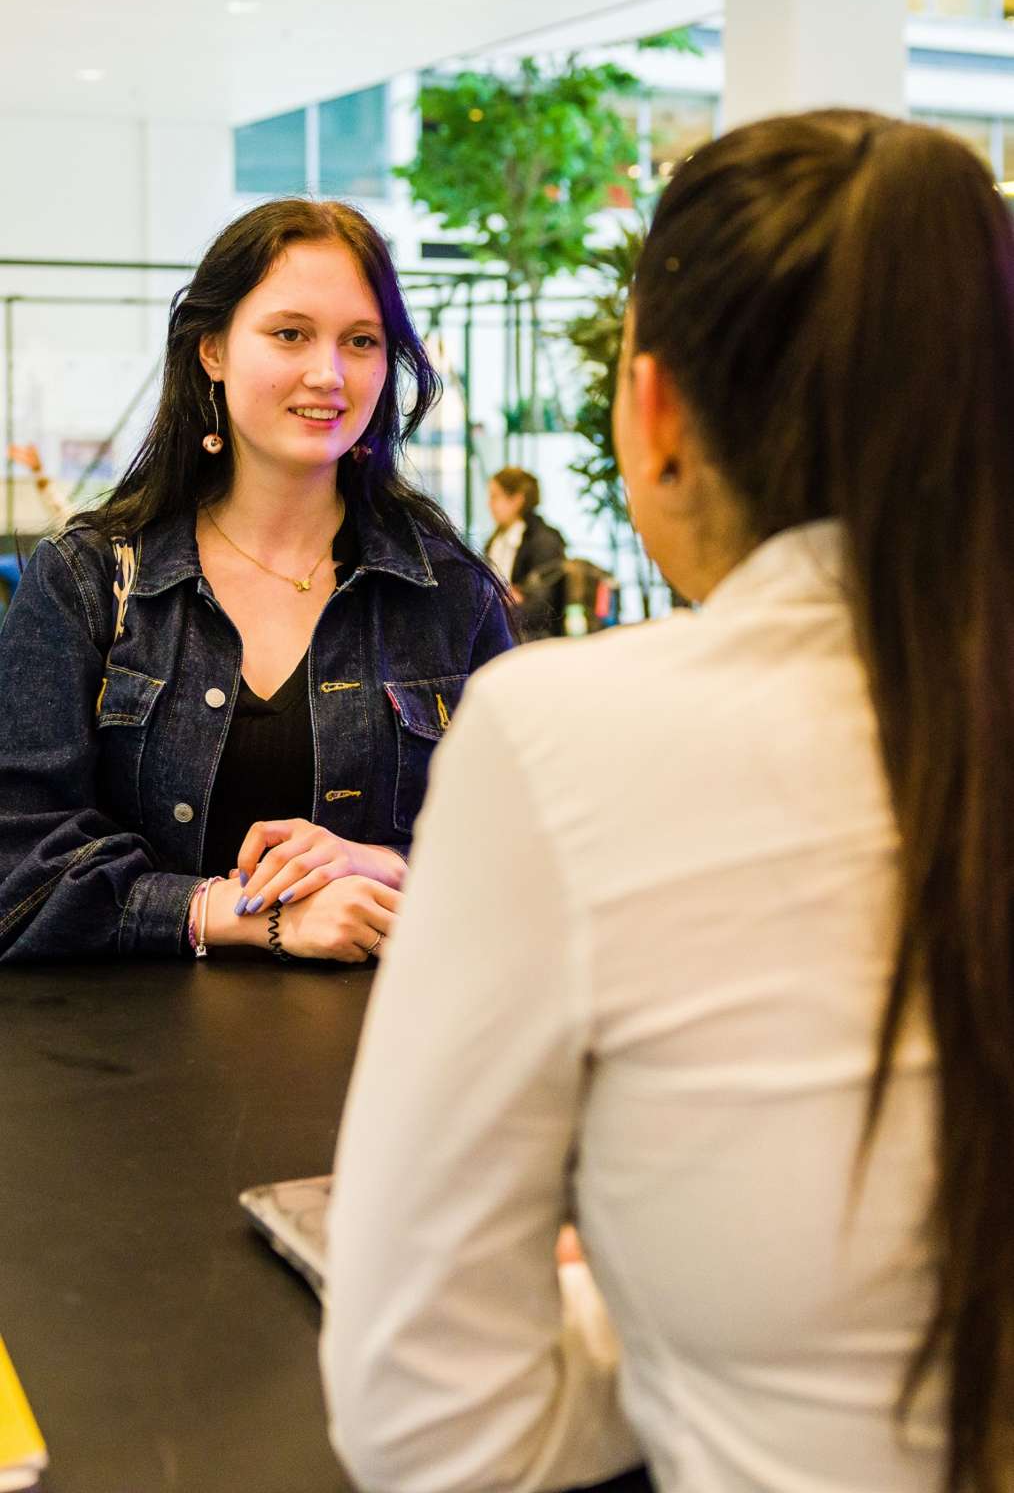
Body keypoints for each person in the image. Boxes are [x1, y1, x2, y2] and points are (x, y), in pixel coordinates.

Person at [322, 112, 1014, 1492]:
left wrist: (676, 1334)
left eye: (354, 342)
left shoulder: (563, 730)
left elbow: (433, 1422)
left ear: (651, 409)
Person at [0, 199, 513, 963]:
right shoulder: (87, 581)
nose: (328, 373)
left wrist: (393, 867)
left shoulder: (450, 593)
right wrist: (250, 913)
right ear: (212, 348)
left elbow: (524, 858)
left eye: (362, 341)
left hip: (383, 1058)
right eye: (289, 334)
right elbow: (18, 873)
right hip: (120, 1063)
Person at [485, 466, 566, 638]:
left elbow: (542, 606)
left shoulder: (544, 541)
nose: (489, 504)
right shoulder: (496, 540)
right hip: (502, 633)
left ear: (517, 500)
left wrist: (511, 599)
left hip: (532, 641)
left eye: (495, 497)